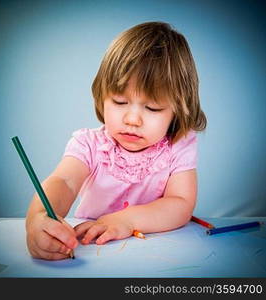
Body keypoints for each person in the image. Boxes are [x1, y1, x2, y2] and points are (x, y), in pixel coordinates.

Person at [25, 21, 207, 260]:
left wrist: (127, 220)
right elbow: (64, 182)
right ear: (101, 97)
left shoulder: (178, 147)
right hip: (92, 251)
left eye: (152, 108)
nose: (132, 119)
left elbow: (181, 203)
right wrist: (38, 217)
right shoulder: (88, 144)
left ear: (178, 111)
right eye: (120, 102)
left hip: (153, 256)